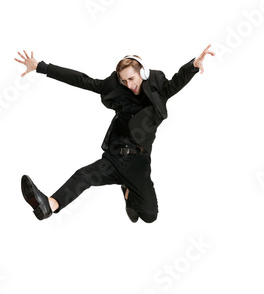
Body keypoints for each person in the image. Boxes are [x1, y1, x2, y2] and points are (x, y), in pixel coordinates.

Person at [15, 45, 215, 223]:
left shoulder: (157, 88)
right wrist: (42, 67)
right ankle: (48, 205)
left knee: (149, 216)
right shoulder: (115, 88)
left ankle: (128, 192)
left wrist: (193, 66)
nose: (129, 84)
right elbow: (82, 80)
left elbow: (176, 83)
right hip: (114, 157)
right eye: (124, 80)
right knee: (84, 176)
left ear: (142, 73)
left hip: (139, 162)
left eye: (131, 78)